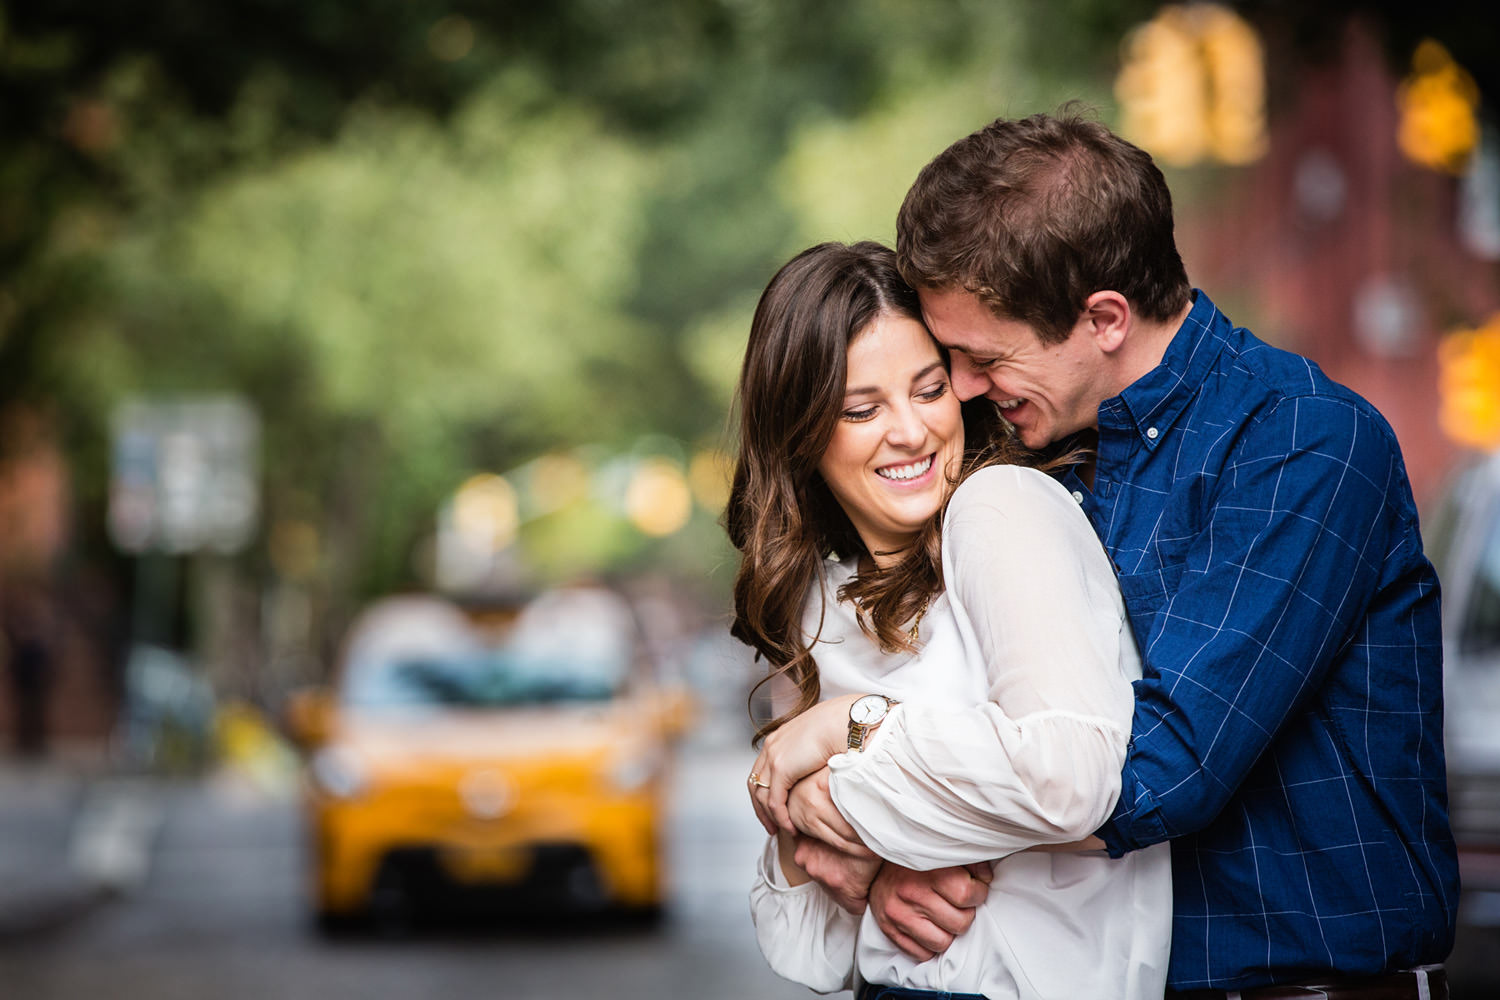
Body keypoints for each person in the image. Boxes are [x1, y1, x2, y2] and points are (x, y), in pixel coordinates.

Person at [754, 112, 1461, 999]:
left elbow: (1148, 773)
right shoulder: (1038, 453)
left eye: (980, 358)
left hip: (1304, 986)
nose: (964, 389)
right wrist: (868, 844)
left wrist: (849, 775)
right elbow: (997, 741)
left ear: (1104, 319)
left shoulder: (1302, 445)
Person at [726, 240, 1171, 1000]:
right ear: (801, 433)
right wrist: (841, 845)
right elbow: (807, 948)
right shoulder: (825, 598)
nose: (910, 431)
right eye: (862, 409)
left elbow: (1067, 776)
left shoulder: (999, 509)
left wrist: (848, 731)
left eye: (929, 390)